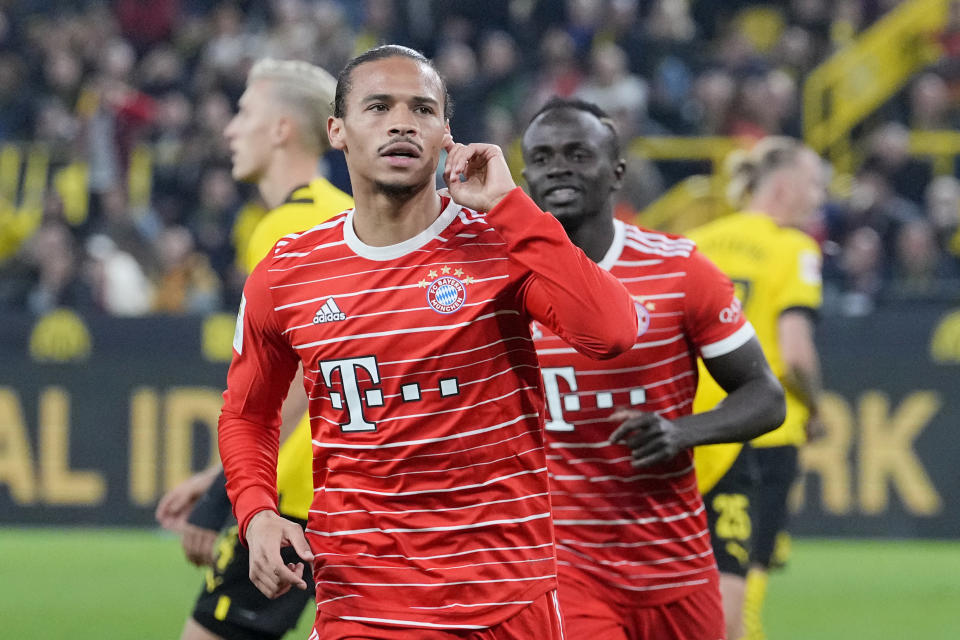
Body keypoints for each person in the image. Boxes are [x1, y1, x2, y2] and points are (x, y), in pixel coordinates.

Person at [218, 45, 639, 639]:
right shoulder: (288, 270)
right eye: (378, 106)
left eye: (421, 109)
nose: (400, 122)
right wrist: (258, 512)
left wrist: (510, 206)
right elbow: (246, 413)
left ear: (445, 133)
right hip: (361, 605)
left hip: (502, 607)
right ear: (337, 129)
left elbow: (613, 332)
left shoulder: (501, 244)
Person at [521, 97, 785, 640]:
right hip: (564, 565)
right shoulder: (503, 284)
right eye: (543, 158)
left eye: (577, 153)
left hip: (676, 563)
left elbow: (765, 395)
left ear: (617, 171)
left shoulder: (680, 271)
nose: (559, 168)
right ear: (525, 176)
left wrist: (682, 432)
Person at [154, 58, 354, 640]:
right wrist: (215, 473)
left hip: (293, 497)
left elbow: (289, 388)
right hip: (345, 490)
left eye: (244, 112)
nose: (229, 129)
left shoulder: (286, 227)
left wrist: (226, 499)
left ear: (281, 129)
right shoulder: (339, 213)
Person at [690, 136, 827, 640]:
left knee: (693, 581)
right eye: (815, 183)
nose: (820, 196)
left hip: (699, 427)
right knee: (742, 592)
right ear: (786, 186)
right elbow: (795, 355)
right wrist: (816, 406)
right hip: (766, 433)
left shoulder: (699, 240)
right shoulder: (794, 248)